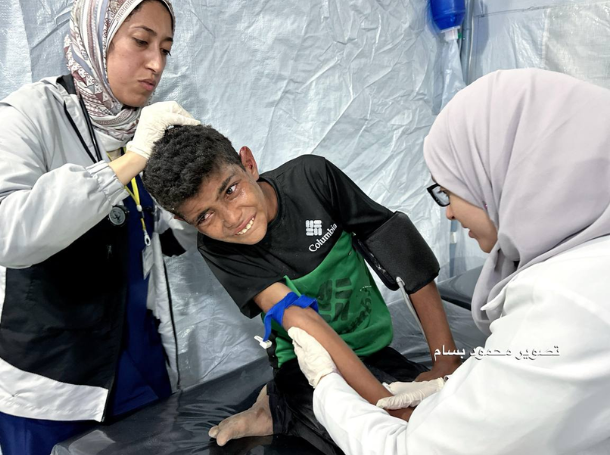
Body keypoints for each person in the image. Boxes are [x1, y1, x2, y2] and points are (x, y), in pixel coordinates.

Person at [289, 68, 610, 455]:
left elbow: (409, 450)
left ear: (505, 175)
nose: (449, 213)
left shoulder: (561, 308)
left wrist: (327, 385)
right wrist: (454, 387)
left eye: (448, 191)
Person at [142, 124, 462, 454]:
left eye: (231, 190)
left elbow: (400, 249)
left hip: (373, 347)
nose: (232, 218)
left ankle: (274, 405)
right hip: (308, 368)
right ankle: (278, 407)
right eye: (205, 216)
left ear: (248, 164)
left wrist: (445, 361)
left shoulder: (313, 177)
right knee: (360, 436)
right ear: (185, 220)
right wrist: (389, 409)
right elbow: (301, 319)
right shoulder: (217, 248)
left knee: (438, 413)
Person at [0, 1, 200, 454]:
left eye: (165, 49)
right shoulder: (32, 112)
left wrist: (199, 197)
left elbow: (165, 241)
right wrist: (130, 163)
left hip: (139, 365)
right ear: (96, 39)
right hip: (50, 383)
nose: (156, 64)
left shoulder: (145, 127)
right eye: (141, 41)